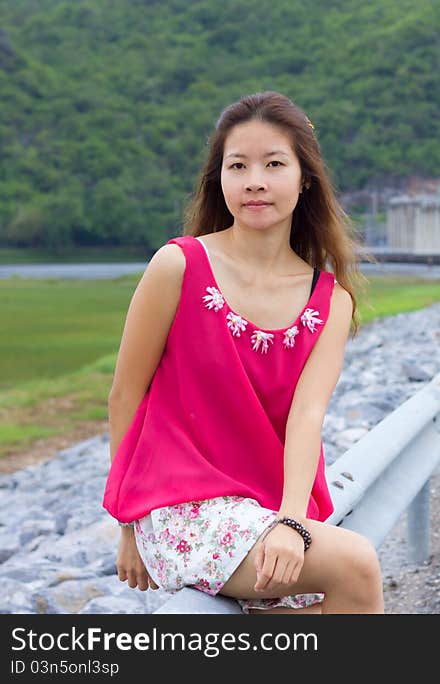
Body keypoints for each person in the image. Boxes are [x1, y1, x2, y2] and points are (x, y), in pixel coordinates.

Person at [103, 91, 384, 614]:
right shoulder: (178, 266)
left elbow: (307, 416)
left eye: (274, 164)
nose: (255, 179)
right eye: (239, 165)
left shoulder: (331, 300)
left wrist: (292, 522)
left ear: (304, 179)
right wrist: (128, 521)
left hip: (269, 511)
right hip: (179, 509)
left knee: (345, 583)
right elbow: (125, 396)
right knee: (358, 564)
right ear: (221, 180)